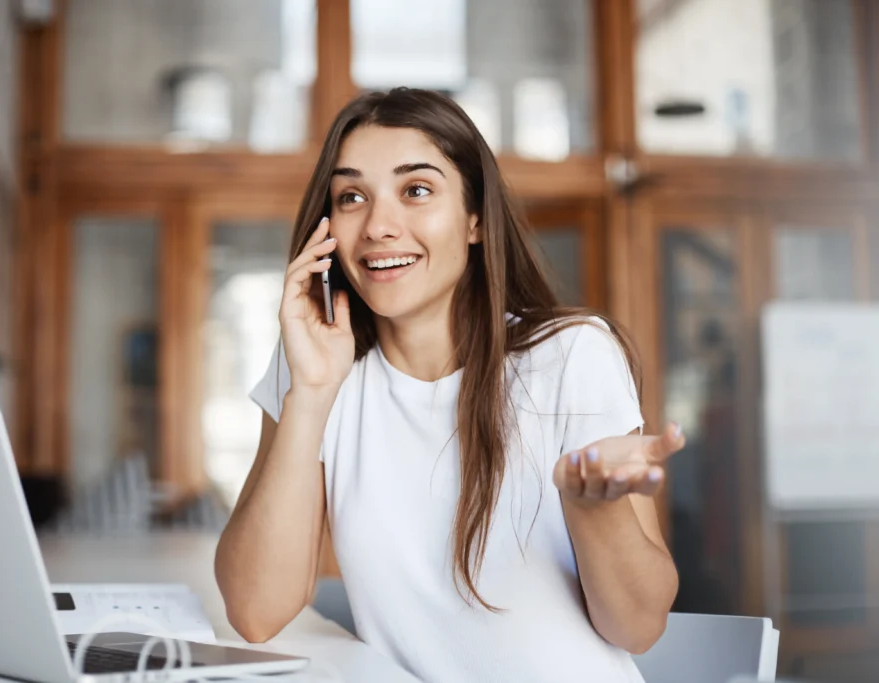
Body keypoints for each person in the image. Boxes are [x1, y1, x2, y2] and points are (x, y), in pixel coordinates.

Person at [214, 88, 683, 683]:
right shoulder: (316, 361)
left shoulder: (571, 355)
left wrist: (593, 511)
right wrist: (308, 393)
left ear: (475, 219)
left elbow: (639, 628)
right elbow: (254, 613)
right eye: (352, 196)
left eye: (416, 190)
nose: (380, 226)